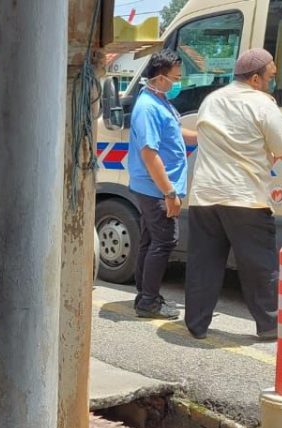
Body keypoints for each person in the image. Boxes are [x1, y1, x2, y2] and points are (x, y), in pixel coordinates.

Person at [184, 48, 282, 341]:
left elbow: (228, 145)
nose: (272, 82)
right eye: (270, 77)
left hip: (204, 196)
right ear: (256, 78)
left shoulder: (212, 100)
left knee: (203, 264)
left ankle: (196, 324)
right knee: (258, 266)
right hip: (245, 198)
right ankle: (269, 325)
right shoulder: (261, 104)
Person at [126, 49, 198, 320]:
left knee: (151, 240)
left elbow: (177, 132)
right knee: (165, 241)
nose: (178, 81)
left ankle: (145, 295)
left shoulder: (160, 100)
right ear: (159, 77)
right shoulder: (147, 108)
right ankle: (148, 302)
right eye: (175, 77)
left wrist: (204, 136)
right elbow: (149, 153)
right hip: (156, 188)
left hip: (155, 187)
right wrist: (169, 192)